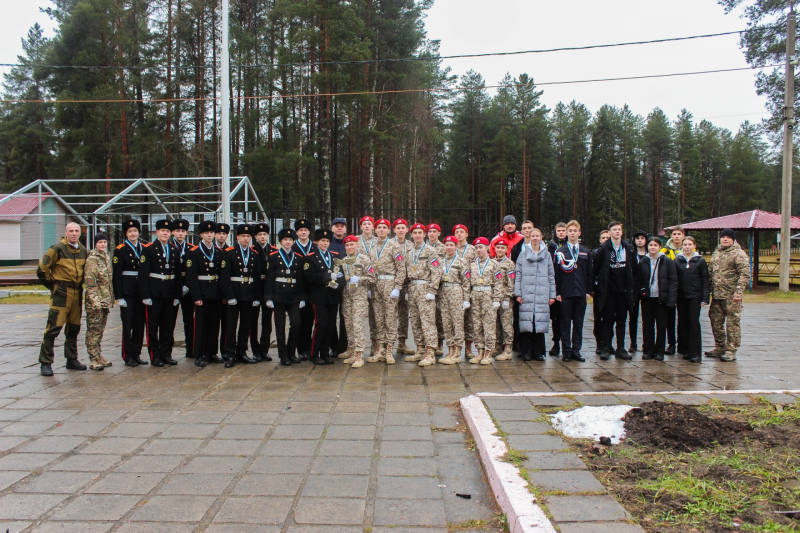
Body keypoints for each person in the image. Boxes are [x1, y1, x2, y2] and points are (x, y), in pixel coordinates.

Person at [37, 222, 88, 376]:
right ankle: (45, 362)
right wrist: (53, 286)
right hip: (62, 292)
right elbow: (42, 269)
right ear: (66, 232)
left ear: (80, 233)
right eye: (71, 231)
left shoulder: (83, 250)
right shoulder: (57, 248)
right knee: (53, 327)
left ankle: (71, 359)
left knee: (73, 327)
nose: (74, 233)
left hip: (77, 292)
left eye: (76, 231)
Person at [139, 219, 181, 367]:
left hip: (170, 293)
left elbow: (177, 274)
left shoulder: (175, 250)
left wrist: (177, 295)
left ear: (171, 233)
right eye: (162, 230)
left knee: (168, 326)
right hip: (154, 293)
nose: (165, 233)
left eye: (168, 231)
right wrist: (145, 295)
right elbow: (143, 274)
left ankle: (166, 354)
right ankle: (155, 355)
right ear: (157, 232)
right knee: (153, 327)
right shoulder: (149, 249)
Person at [365, 219, 406, 364]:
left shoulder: (394, 246)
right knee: (378, 318)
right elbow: (369, 267)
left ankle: (389, 350)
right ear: (375, 231)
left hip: (389, 284)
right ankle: (380, 349)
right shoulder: (372, 246)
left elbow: (401, 268)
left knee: (389, 318)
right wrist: (369, 285)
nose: (381, 230)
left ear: (389, 231)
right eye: (379, 228)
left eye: (384, 228)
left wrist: (397, 287)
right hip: (376, 284)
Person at [593, 222, 636, 361]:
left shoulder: (628, 248)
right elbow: (595, 270)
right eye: (614, 230)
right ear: (610, 232)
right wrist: (596, 289)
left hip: (623, 292)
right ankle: (605, 347)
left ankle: (621, 348)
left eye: (619, 229)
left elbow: (634, 270)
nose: (617, 232)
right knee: (607, 321)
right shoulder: (603, 249)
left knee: (622, 321)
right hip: (608, 292)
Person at [706, 228, 751, 362]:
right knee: (716, 321)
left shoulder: (738, 254)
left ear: (733, 239)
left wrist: (739, 292)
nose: (725, 239)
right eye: (723, 237)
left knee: (732, 324)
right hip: (717, 295)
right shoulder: (717, 253)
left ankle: (731, 350)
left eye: (728, 237)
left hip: (731, 296)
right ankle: (719, 346)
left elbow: (744, 274)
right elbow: (710, 272)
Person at [220, 224, 261, 368]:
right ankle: (230, 354)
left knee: (245, 325)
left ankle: (242, 352)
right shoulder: (229, 253)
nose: (246, 239)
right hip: (234, 294)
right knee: (231, 325)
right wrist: (229, 295)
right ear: (237, 237)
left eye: (248, 236)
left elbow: (256, 277)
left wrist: (256, 297)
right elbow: (225, 277)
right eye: (243, 236)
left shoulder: (255, 254)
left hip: (248, 294)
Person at [265, 228, 307, 366]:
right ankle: (283, 355)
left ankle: (291, 351)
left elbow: (301, 279)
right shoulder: (273, 256)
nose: (288, 242)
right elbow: (269, 278)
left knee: (296, 324)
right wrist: (269, 297)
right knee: (280, 327)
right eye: (285, 240)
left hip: (294, 295)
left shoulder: (299, 258)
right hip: (278, 295)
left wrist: (302, 297)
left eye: (290, 240)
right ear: (280, 241)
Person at [185, 220, 224, 368]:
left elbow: (222, 275)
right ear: (201, 234)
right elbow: (191, 277)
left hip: (215, 292)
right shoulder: (194, 253)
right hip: (201, 293)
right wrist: (196, 296)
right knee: (200, 325)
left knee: (214, 324)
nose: (209, 235)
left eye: (211, 232)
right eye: (206, 233)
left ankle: (211, 353)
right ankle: (199, 354)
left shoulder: (219, 253)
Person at [554, 220, 593, 363]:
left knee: (579, 323)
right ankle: (566, 351)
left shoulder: (585, 252)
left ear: (579, 233)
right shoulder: (560, 252)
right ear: (566, 233)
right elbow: (556, 273)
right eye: (569, 231)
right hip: (566, 293)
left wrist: (589, 290)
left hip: (581, 293)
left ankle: (576, 350)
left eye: (574, 231)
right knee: (565, 323)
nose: (572, 233)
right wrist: (557, 292)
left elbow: (590, 273)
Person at [514, 228, 556, 362]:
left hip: (541, 294)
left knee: (540, 323)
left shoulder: (547, 255)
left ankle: (539, 352)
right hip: (526, 294)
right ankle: (526, 352)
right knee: (527, 323)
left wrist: (552, 295)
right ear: (530, 237)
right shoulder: (523, 254)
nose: (535, 238)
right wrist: (518, 293)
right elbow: (518, 275)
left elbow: (551, 275)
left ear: (541, 237)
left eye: (537, 236)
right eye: (533, 236)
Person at [303, 228, 343, 365]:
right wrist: (327, 276)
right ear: (316, 242)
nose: (325, 243)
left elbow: (340, 272)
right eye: (322, 241)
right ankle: (314, 354)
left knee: (331, 325)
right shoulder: (310, 257)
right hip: (319, 297)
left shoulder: (334, 257)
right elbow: (309, 276)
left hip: (332, 295)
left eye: (327, 241)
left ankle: (325, 353)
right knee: (321, 325)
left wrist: (339, 281)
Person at [405, 223, 443, 366]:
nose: (417, 235)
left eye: (420, 233)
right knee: (415, 322)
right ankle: (420, 349)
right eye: (415, 233)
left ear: (424, 234)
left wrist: (432, 290)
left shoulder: (430, 251)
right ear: (412, 234)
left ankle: (430, 352)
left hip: (425, 288)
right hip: (412, 287)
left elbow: (436, 271)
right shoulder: (409, 251)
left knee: (427, 321)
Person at [113, 219, 148, 367]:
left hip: (140, 292)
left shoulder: (144, 248)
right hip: (127, 292)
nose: (133, 234)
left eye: (135, 231)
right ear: (126, 234)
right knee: (128, 325)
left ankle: (136, 353)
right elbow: (116, 275)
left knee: (140, 324)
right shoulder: (120, 249)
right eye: (130, 231)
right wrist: (119, 296)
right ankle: (127, 355)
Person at [637, 237, 678, 361]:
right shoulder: (643, 261)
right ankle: (648, 350)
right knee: (647, 325)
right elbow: (638, 280)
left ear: (660, 247)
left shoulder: (667, 262)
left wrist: (671, 299)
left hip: (662, 299)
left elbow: (673, 281)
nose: (653, 247)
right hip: (648, 299)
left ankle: (660, 350)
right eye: (651, 245)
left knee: (661, 325)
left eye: (655, 245)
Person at [339, 235, 375, 368]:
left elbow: (372, 278)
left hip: (359, 295)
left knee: (358, 324)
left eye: (352, 244)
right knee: (349, 324)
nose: (349, 247)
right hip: (347, 295)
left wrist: (359, 279)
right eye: (347, 245)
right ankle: (353, 351)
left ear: (357, 245)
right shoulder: (343, 261)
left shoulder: (364, 259)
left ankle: (360, 354)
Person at [465, 237, 502, 365]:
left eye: (481, 247)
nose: (479, 250)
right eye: (476, 248)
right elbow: (467, 282)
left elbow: (498, 283)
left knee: (489, 325)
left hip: (488, 295)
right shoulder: (472, 265)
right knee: (477, 325)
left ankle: (488, 352)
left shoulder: (494, 264)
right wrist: (466, 298)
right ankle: (479, 351)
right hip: (475, 295)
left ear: (487, 248)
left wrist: (497, 299)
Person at [675, 236, 710, 363]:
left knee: (693, 322)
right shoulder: (678, 260)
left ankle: (695, 353)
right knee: (683, 323)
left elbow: (705, 280)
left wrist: (705, 297)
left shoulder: (700, 261)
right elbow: (674, 280)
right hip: (681, 296)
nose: (687, 247)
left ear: (694, 245)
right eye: (685, 244)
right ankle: (686, 350)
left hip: (695, 296)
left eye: (690, 244)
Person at [437, 236, 471, 365]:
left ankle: (457, 351)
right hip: (444, 292)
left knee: (457, 323)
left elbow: (466, 282)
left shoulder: (461, 262)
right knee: (446, 322)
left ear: (456, 246)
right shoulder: (440, 261)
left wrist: (466, 299)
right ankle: (450, 349)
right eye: (447, 245)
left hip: (456, 291)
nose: (449, 247)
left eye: (452, 245)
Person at [84, 232, 114, 371]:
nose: (103, 244)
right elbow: (90, 282)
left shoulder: (106, 257)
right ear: (95, 244)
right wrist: (94, 301)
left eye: (104, 242)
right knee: (93, 331)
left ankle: (98, 355)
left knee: (100, 330)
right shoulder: (92, 259)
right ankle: (93, 358)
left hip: (105, 301)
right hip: (95, 302)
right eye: (100, 242)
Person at [293, 219, 317, 361]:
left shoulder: (315, 247)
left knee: (310, 321)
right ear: (297, 232)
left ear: (309, 232)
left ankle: (309, 348)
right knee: (298, 322)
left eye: (306, 230)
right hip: (297, 289)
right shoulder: (293, 247)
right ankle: (300, 348)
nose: (303, 232)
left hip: (313, 289)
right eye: (301, 230)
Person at [250, 222, 275, 362]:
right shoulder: (252, 250)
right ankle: (255, 350)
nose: (262, 237)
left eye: (264, 234)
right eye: (259, 234)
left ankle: (264, 350)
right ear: (256, 236)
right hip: (255, 289)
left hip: (268, 289)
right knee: (252, 322)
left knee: (267, 322)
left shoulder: (273, 250)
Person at [170, 219, 195, 360]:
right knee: (170, 321)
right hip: (172, 288)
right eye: (178, 231)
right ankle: (167, 351)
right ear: (173, 232)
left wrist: (187, 285)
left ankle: (190, 349)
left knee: (189, 321)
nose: (180, 233)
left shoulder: (191, 248)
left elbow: (194, 270)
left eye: (183, 231)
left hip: (187, 288)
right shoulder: (168, 246)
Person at [660, 226, 686, 354]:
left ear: (683, 235)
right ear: (671, 236)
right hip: (669, 288)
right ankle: (671, 343)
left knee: (683, 319)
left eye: (679, 234)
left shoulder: (688, 249)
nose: (676, 236)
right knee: (669, 318)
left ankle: (683, 343)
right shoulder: (664, 251)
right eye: (674, 234)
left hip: (684, 288)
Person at [453, 224, 477, 357]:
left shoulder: (472, 250)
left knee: (468, 319)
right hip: (454, 287)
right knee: (454, 319)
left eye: (462, 232)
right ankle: (452, 347)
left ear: (467, 234)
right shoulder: (450, 247)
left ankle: (468, 348)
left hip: (468, 287)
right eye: (457, 232)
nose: (459, 234)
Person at [392, 219, 414, 357]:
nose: (400, 230)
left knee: (404, 314)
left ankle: (401, 343)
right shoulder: (389, 244)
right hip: (392, 284)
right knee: (389, 314)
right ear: (394, 230)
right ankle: (386, 344)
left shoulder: (412, 245)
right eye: (398, 228)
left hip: (407, 284)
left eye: (403, 228)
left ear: (407, 230)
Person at [358, 216, 379, 356]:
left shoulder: (379, 241)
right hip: (358, 282)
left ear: (373, 227)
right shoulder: (355, 241)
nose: (367, 226)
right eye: (364, 224)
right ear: (361, 227)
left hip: (376, 282)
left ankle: (375, 344)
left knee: (375, 314)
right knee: (356, 315)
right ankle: (353, 346)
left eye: (369, 224)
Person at [491, 238, 515, 361]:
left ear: (506, 249)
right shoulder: (491, 262)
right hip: (494, 296)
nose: (500, 250)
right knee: (496, 323)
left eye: (502, 248)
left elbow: (511, 282)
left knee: (506, 323)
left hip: (505, 296)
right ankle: (498, 346)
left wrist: (508, 297)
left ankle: (508, 348)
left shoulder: (509, 264)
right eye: (498, 247)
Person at [546, 222, 568, 356]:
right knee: (555, 318)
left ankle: (567, 343)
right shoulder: (550, 247)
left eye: (563, 230)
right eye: (558, 230)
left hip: (567, 286)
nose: (561, 232)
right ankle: (556, 343)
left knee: (566, 318)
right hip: (553, 285)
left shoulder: (570, 247)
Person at [329, 217, 349, 358]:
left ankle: (343, 346)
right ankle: (333, 346)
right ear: (332, 228)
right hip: (331, 285)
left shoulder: (350, 243)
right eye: (337, 226)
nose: (339, 228)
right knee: (330, 317)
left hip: (347, 285)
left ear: (345, 229)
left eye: (342, 226)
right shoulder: (327, 243)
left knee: (345, 316)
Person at [427, 223, 446, 355]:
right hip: (426, 286)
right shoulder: (423, 247)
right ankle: (426, 343)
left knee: (439, 315)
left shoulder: (444, 248)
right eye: (430, 231)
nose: (432, 234)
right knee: (428, 316)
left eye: (435, 231)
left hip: (441, 285)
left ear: (439, 233)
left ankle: (439, 343)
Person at [628, 230, 648, 353]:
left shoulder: (650, 253)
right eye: (637, 238)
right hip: (633, 288)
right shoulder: (631, 253)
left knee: (647, 318)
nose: (639, 240)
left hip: (646, 287)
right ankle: (633, 342)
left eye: (642, 238)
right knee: (633, 317)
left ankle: (646, 342)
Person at [214, 222, 231, 359]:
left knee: (226, 323)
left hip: (224, 293)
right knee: (212, 324)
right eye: (219, 233)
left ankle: (225, 350)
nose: (221, 235)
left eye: (224, 234)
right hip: (210, 291)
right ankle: (211, 351)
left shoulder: (230, 251)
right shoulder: (208, 249)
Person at [592, 229, 611, 354]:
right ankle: (599, 343)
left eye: (607, 238)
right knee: (598, 318)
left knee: (609, 319)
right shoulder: (596, 253)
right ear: (600, 240)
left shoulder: (616, 253)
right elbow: (592, 272)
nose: (605, 240)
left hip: (611, 291)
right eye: (603, 238)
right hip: (599, 291)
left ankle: (608, 344)